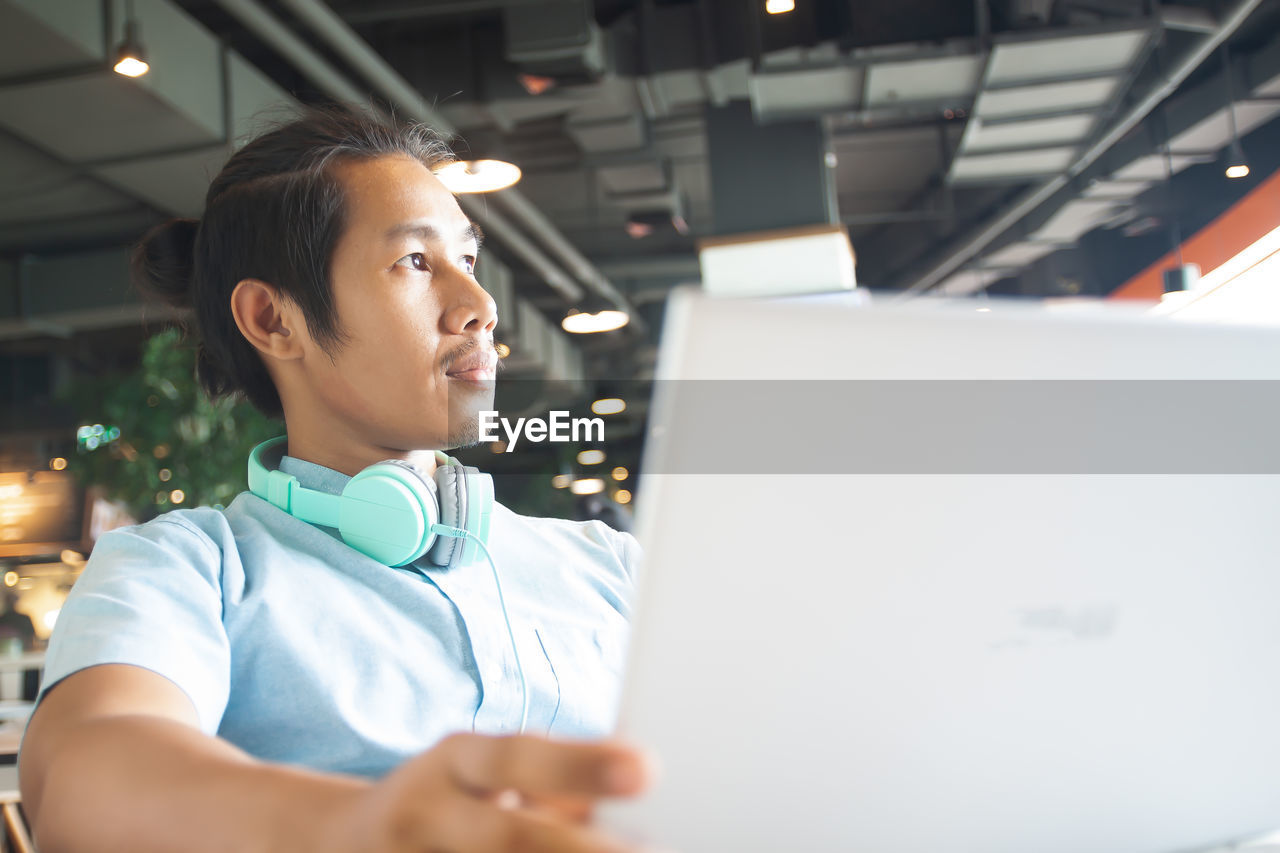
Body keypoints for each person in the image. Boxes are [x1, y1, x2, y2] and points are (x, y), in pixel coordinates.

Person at [18, 107, 652, 852]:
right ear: (272, 318)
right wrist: (359, 823)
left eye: (469, 261)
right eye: (415, 262)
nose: (479, 307)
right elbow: (85, 777)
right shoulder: (191, 569)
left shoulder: (609, 566)